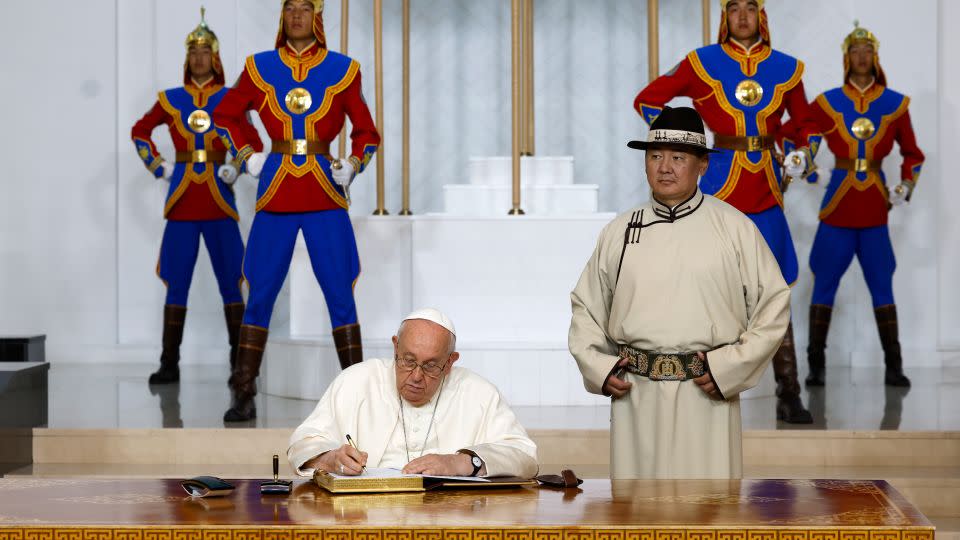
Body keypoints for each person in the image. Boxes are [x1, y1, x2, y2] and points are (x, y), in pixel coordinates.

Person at [569, 107, 790, 479]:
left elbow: (774, 304)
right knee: (637, 515)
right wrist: (600, 368)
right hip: (636, 395)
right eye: (655, 156)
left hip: (706, 392)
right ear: (644, 164)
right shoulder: (620, 231)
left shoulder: (735, 228)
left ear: (702, 164)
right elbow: (587, 307)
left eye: (678, 157)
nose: (665, 167)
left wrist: (728, 368)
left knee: (707, 512)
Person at [632, 0, 817, 424]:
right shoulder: (702, 62)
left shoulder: (787, 67)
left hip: (767, 189)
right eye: (734, 7)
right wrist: (683, 139)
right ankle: (702, 384)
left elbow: (804, 123)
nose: (743, 15)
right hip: (718, 187)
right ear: (724, 16)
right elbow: (649, 99)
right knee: (704, 284)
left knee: (776, 290)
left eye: (750, 7)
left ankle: (789, 392)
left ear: (762, 15)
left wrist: (798, 151)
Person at [213, 0, 381, 421]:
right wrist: (249, 153)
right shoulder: (259, 66)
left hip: (325, 190)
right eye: (289, 8)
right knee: (261, 291)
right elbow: (226, 114)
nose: (296, 15)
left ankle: (357, 396)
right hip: (277, 188)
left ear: (317, 17)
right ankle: (244, 389)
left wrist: (353, 164)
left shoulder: (344, 68)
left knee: (340, 291)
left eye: (305, 8)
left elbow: (366, 132)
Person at [130, 9, 262, 385]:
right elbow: (140, 131)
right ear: (187, 58)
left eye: (205, 52)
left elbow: (251, 141)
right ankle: (169, 361)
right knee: (177, 279)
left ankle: (240, 365)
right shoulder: (171, 99)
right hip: (183, 200)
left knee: (232, 279)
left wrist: (237, 166)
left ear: (215, 58)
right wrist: (158, 166)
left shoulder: (230, 98)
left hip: (220, 199)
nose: (199, 58)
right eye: (193, 52)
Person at [789, 24, 923, 388]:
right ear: (846, 58)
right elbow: (794, 132)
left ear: (875, 57)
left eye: (867, 50)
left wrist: (906, 183)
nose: (861, 57)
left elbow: (912, 153)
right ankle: (816, 366)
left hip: (875, 209)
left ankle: (894, 367)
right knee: (824, 283)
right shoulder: (828, 102)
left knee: (882, 284)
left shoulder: (895, 104)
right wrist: (806, 166)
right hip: (838, 207)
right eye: (855, 51)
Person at [287, 308, 539, 479]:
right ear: (395, 346)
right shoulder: (356, 381)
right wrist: (331, 459)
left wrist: (462, 463)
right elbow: (302, 444)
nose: (417, 376)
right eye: (407, 361)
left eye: (430, 366)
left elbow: (526, 457)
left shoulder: (479, 393)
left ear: (450, 362)